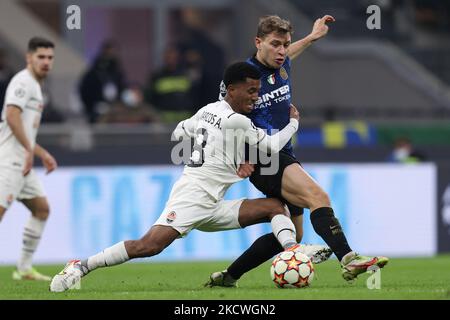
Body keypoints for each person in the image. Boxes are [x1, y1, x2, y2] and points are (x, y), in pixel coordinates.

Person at [50, 62, 304, 292]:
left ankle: (293, 253)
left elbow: (180, 130)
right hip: (192, 197)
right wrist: (293, 123)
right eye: (250, 91)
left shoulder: (208, 110)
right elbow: (271, 146)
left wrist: (218, 154)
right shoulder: (236, 120)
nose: (255, 96)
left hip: (213, 202)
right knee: (148, 246)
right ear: (233, 90)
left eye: (257, 90)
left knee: (274, 207)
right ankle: (81, 265)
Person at [206, 15, 388, 287]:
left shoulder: (283, 62)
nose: (281, 51)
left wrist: (313, 37)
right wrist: (237, 157)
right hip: (263, 156)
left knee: (294, 235)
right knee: (318, 195)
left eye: (285, 44)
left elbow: (291, 52)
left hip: (283, 153)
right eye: (275, 44)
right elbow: (222, 117)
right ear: (258, 42)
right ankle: (348, 258)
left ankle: (228, 276)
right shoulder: (243, 76)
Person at [0, 37, 58, 281]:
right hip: (9, 161)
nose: (46, 62)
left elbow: (23, 126)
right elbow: (12, 116)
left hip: (21, 162)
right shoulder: (23, 82)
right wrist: (27, 151)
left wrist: (40, 154)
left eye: (50, 58)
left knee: (42, 209)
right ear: (29, 58)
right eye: (41, 57)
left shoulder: (36, 86)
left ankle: (24, 269)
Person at [79, 40, 126, 123]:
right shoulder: (94, 72)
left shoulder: (118, 72)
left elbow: (122, 88)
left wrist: (119, 103)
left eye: (113, 52)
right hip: (97, 108)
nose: (111, 54)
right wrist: (91, 107)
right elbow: (84, 90)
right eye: (109, 51)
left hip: (115, 109)